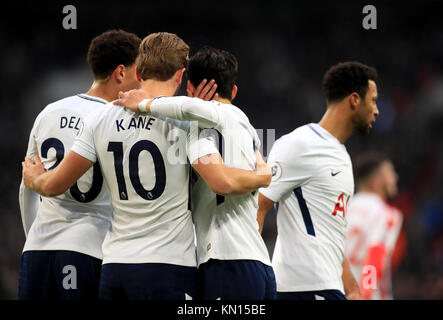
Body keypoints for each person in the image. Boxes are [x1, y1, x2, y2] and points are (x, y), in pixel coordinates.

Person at [22, 32, 271, 300]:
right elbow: (219, 180)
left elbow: (56, 184)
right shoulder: (188, 123)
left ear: (138, 73)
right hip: (168, 265)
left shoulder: (101, 118)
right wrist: (261, 175)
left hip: (115, 265)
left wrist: (34, 180)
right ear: (180, 76)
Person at [115, 46, 276, 300]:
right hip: (260, 262)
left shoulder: (204, 120)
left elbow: (220, 180)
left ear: (187, 86)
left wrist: (145, 103)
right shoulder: (246, 125)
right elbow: (264, 170)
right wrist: (263, 177)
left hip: (224, 259)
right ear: (233, 90)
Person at [17, 29, 141, 300]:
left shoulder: (48, 111)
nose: (141, 84)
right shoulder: (118, 122)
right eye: (138, 74)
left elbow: (27, 186)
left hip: (37, 250)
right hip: (89, 250)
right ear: (120, 73)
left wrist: (33, 240)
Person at [257, 61, 379, 300]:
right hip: (300, 289)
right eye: (373, 100)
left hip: (329, 287)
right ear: (354, 99)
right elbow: (257, 207)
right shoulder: (299, 144)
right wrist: (253, 275)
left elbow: (331, 235)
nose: (376, 110)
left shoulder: (341, 155)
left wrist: (352, 287)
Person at [345, 153, 403, 300]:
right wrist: (364, 294)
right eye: (390, 173)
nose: (396, 177)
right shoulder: (385, 213)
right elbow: (375, 257)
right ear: (375, 181)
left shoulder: (341, 209)